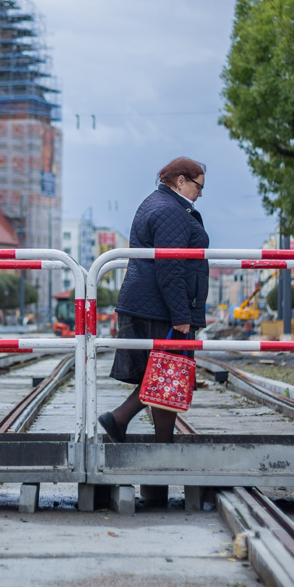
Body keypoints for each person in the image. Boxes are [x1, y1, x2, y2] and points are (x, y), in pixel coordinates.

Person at [98, 157, 209, 444]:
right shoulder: (170, 211)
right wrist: (181, 314)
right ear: (181, 180)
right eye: (198, 186)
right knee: (167, 374)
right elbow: (170, 267)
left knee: (166, 376)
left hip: (149, 305)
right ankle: (120, 419)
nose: (200, 194)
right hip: (159, 309)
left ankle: (159, 442)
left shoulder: (157, 203)